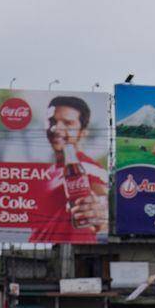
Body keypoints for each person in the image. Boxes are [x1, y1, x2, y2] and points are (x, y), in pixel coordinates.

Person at [29, 96, 107, 242]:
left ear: (83, 132)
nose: (57, 128)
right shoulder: (47, 172)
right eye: (52, 121)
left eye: (68, 123)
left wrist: (100, 214)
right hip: (44, 254)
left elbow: (103, 206)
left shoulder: (88, 169)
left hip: (74, 254)